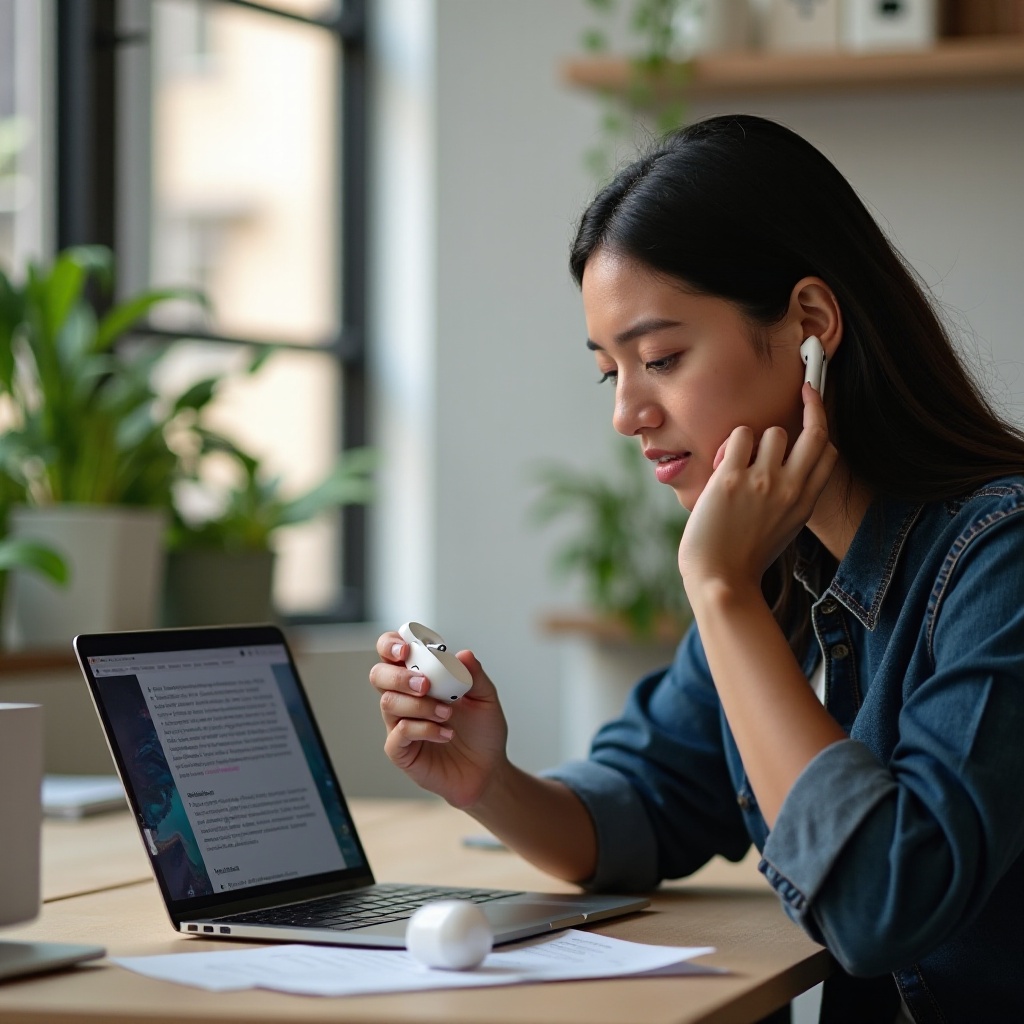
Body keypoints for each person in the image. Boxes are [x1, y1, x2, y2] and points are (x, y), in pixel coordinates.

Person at [369, 114, 1024, 1023]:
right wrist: (493, 782)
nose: (629, 413)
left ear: (810, 325)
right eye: (612, 372)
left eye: (662, 358)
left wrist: (718, 593)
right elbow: (637, 812)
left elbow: (883, 909)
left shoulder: (1000, 562)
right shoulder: (781, 573)